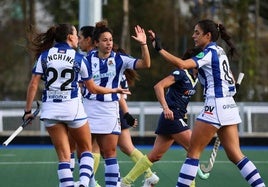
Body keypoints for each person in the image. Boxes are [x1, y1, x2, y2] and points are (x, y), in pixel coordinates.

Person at [148, 19, 266, 187]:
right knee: (236, 155)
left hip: (215, 106)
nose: (193, 36)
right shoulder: (220, 51)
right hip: (229, 107)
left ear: (208, 35)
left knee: (193, 153)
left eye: (197, 32)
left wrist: (159, 48)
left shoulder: (208, 52)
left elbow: (182, 64)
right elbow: (231, 81)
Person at [23, 23, 128, 187]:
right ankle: (84, 183)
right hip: (73, 110)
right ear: (69, 37)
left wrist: (28, 111)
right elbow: (92, 88)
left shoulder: (44, 56)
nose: (77, 40)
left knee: (64, 157)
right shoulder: (79, 58)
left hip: (50, 111)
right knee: (86, 149)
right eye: (75, 35)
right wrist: (113, 90)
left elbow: (33, 85)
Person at [81, 20, 151, 187]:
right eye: (105, 40)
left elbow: (145, 64)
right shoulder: (85, 59)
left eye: (111, 40)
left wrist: (144, 45)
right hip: (88, 109)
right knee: (85, 152)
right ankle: (89, 183)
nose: (109, 43)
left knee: (110, 152)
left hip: (109, 111)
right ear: (96, 43)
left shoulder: (120, 59)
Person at [121, 47, 202, 187]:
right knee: (193, 150)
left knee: (155, 156)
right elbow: (158, 86)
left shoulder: (197, 78)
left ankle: (125, 182)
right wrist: (165, 107)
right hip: (172, 116)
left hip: (176, 118)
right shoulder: (181, 73)